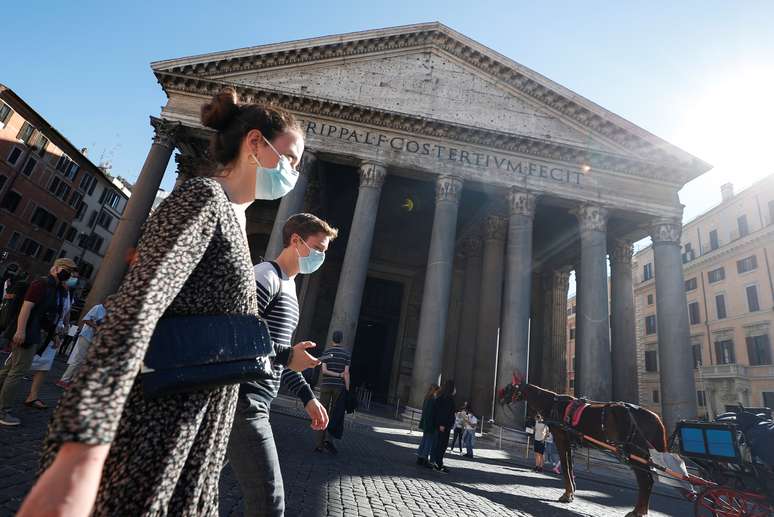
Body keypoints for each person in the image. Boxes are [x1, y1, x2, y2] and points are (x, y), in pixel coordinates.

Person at [18, 89, 319, 517]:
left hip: (192, 436)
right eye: (291, 157)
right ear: (255, 143)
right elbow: (138, 309)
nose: (294, 171)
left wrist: (286, 358)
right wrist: (80, 452)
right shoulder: (204, 199)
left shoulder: (236, 214)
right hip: (155, 431)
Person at [228, 212, 337, 516]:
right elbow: (237, 334)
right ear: (295, 241)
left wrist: (308, 398)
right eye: (318, 249)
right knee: (270, 503)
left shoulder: (289, 288)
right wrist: (289, 356)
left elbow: (278, 356)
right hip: (242, 399)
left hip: (258, 398)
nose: (320, 257)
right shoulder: (265, 276)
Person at [0, 258, 76, 426]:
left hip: (32, 332)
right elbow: (26, 308)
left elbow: (43, 315)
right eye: (67, 271)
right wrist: (20, 331)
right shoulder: (41, 284)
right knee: (17, 371)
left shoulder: (54, 288)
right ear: (56, 269)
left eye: (71, 272)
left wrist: (53, 334)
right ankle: (3, 411)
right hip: (27, 333)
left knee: (10, 369)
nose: (69, 275)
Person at [24, 270, 78, 409]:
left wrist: (66, 324)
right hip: (44, 331)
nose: (74, 280)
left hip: (55, 332)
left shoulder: (68, 294)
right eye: (73, 277)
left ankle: (32, 396)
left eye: (76, 278)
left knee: (44, 366)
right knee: (20, 364)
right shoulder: (54, 289)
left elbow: (67, 310)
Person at [57, 298, 109, 388]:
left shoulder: (109, 312)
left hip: (95, 339)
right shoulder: (98, 308)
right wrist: (96, 327)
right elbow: (85, 319)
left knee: (85, 361)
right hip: (86, 336)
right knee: (78, 359)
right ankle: (64, 380)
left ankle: (73, 381)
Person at [315, 329, 352, 454]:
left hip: (326, 385)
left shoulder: (327, 352)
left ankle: (319, 444)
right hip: (339, 387)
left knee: (322, 412)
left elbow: (324, 371)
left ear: (332, 339)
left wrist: (334, 374)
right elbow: (346, 373)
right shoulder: (346, 354)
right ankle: (328, 441)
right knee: (334, 414)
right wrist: (347, 389)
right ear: (341, 340)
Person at [430, 379, 456, 473]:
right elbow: (443, 413)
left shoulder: (444, 398)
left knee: (442, 445)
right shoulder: (447, 399)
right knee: (441, 445)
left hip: (445, 426)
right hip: (443, 426)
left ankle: (438, 462)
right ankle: (438, 463)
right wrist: (442, 424)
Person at [416, 383, 439, 467]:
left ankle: (419, 456)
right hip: (430, 424)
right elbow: (432, 413)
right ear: (435, 390)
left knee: (424, 440)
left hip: (425, 423)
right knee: (428, 442)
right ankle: (424, 458)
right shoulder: (433, 399)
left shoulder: (427, 398)